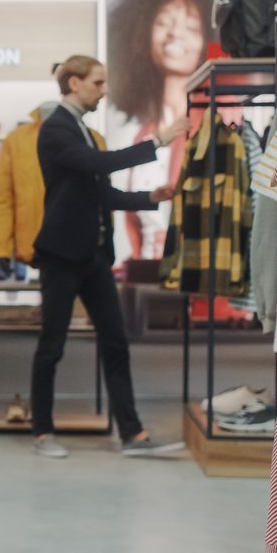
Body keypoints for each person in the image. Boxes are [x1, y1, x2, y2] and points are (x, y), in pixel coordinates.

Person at [28, 54, 189, 459]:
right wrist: (159, 141)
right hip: (62, 256)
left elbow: (99, 192)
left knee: (116, 342)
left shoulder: (82, 130)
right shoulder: (56, 131)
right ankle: (43, 432)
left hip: (94, 257)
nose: (103, 91)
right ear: (74, 83)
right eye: (97, 83)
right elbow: (99, 165)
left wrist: (148, 199)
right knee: (52, 346)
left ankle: (131, 434)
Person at [103, 0, 216, 257]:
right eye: (163, 22)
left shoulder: (214, 126)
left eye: (191, 27)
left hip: (192, 270)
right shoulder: (143, 132)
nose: (175, 34)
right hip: (147, 272)